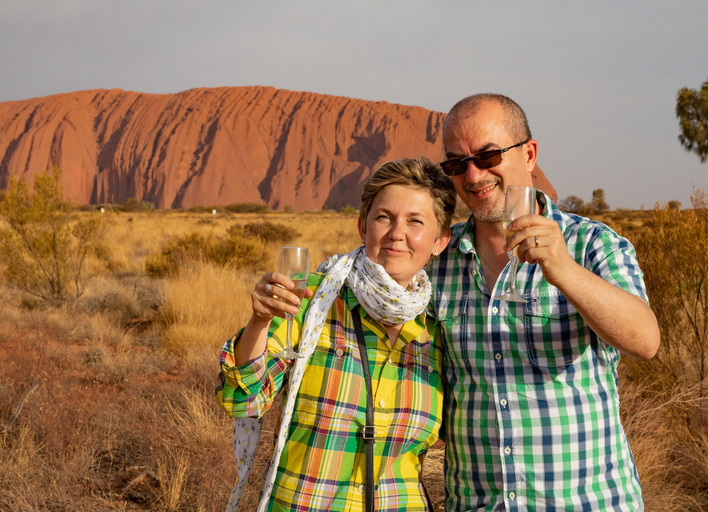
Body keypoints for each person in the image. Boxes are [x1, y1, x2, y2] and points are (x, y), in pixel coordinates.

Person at [430, 93, 660, 511]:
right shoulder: (437, 264)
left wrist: (565, 271)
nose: (474, 174)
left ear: (530, 153)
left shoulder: (594, 244)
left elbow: (645, 340)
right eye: (456, 164)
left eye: (489, 155)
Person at [215, 158, 456, 512]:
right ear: (363, 226)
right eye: (383, 217)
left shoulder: (436, 329)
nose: (396, 233)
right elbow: (243, 401)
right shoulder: (312, 300)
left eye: (415, 221)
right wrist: (260, 322)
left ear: (440, 240)